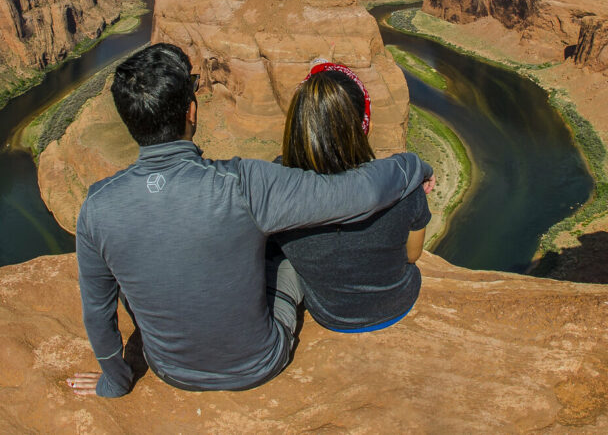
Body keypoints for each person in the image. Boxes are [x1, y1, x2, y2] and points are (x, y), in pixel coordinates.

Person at [67, 43, 433, 397]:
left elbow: (98, 313)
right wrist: (415, 165)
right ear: (191, 111)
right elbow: (360, 193)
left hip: (170, 371)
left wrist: (114, 383)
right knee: (281, 255)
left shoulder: (97, 207)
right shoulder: (245, 185)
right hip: (260, 363)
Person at [273, 60, 434, 333]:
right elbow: (412, 254)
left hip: (330, 314)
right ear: (364, 125)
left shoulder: (275, 194)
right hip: (398, 303)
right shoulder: (404, 188)